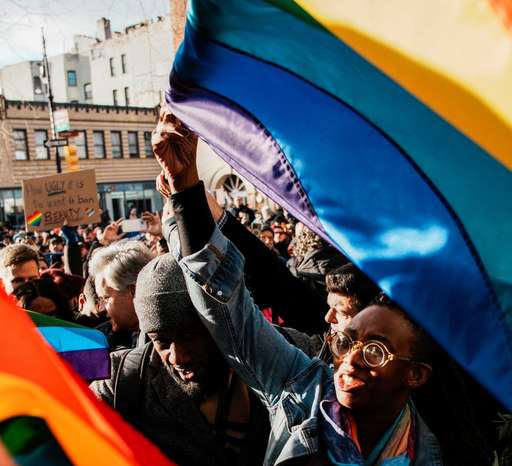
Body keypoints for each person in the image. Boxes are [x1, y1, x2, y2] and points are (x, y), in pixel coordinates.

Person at [154, 108, 443, 465]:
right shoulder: (300, 387)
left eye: (375, 352)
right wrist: (186, 193)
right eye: (344, 341)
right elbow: (226, 304)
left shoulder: (438, 446)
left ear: (415, 374)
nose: (348, 362)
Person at [90, 254, 272, 466]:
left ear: (217, 325)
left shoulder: (274, 357)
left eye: (188, 337)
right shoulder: (120, 382)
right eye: (162, 342)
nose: (177, 357)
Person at [87, 240, 153, 350]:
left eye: (106, 298)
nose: (102, 309)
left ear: (135, 290)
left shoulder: (174, 338)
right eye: (101, 299)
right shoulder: (99, 341)